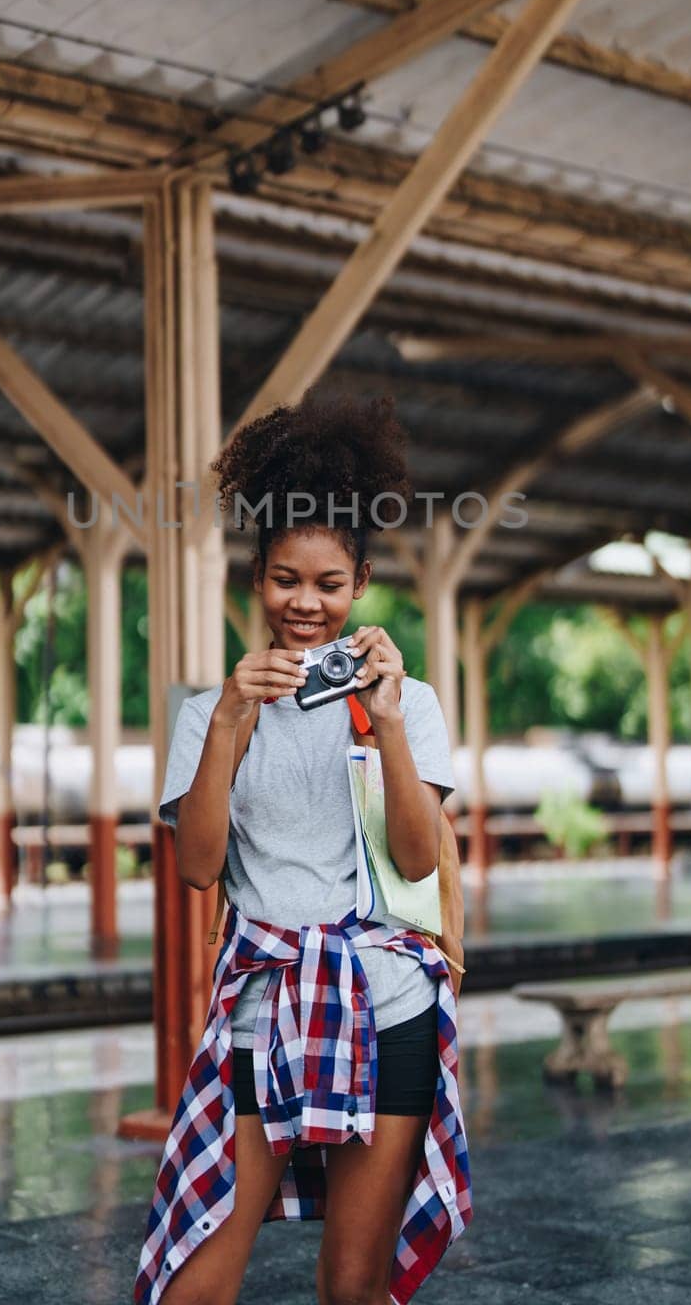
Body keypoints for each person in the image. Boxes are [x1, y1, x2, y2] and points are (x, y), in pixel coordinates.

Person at [134, 390, 472, 1305]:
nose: (306, 605)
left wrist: (391, 725)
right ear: (257, 578)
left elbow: (414, 860)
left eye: (328, 584)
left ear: (360, 581)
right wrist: (234, 720)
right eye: (287, 580)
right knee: (195, 1272)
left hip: (387, 1001)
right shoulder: (211, 713)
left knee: (353, 1288)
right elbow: (200, 867)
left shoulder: (413, 705)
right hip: (261, 1007)